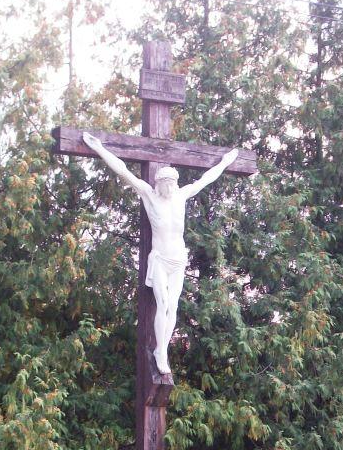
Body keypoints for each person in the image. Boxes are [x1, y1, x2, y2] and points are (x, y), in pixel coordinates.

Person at [83, 132, 240, 374]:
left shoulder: (181, 195)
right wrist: (100, 148)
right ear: (159, 184)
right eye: (165, 184)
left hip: (178, 259)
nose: (169, 188)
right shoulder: (150, 195)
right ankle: (161, 352)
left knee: (173, 306)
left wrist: (225, 163)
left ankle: (161, 349)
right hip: (159, 259)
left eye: (172, 184)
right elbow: (123, 171)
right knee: (163, 303)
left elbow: (206, 179)